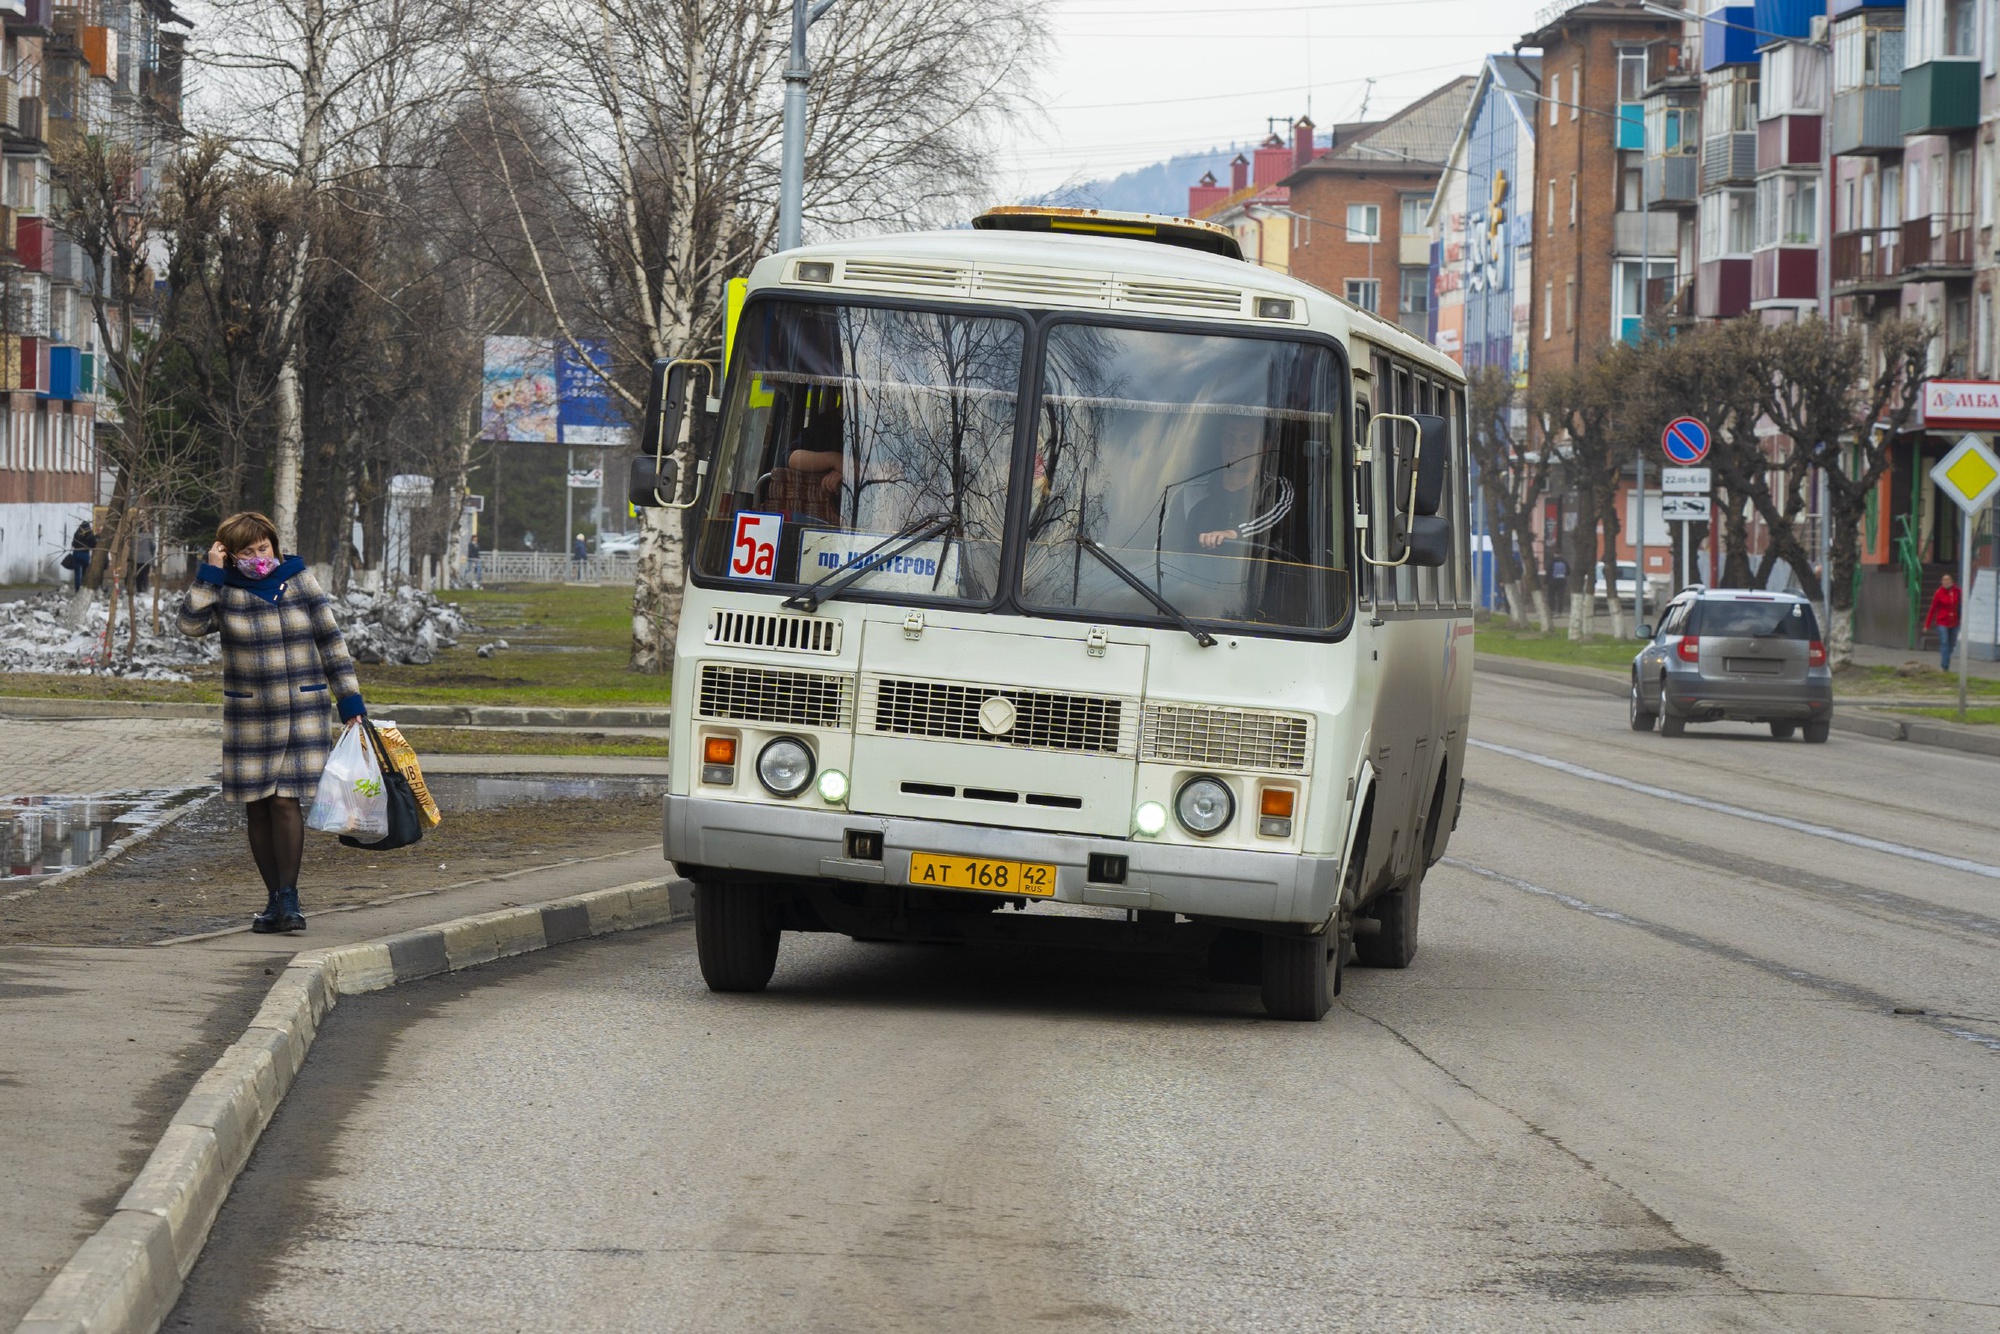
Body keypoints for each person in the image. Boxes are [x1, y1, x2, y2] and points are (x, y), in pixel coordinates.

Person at [177, 511, 366, 935]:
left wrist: (350, 701)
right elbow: (189, 626)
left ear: (275, 545)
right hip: (251, 715)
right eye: (248, 551)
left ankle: (290, 898)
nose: (260, 557)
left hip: (303, 711)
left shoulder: (300, 580)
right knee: (258, 806)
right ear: (230, 555)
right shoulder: (223, 588)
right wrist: (210, 572)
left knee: (285, 802)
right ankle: (273, 901)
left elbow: (330, 641)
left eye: (264, 548)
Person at [1166, 415, 1294, 554]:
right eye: (1229, 437)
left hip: (1252, 575)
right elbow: (1164, 547)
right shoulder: (1189, 492)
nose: (1235, 446)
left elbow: (1272, 520)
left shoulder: (1277, 489)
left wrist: (1233, 534)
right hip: (1188, 574)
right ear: (1221, 441)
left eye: (1246, 439)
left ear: (1265, 447)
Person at [1926, 573, 1962, 671]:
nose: (1946, 582)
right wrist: (1927, 624)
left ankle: (1946, 659)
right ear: (1941, 582)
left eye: (1948, 580)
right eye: (1944, 580)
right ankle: (1945, 665)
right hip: (1942, 621)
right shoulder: (1939, 593)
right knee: (1944, 641)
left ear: (1951, 581)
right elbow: (1933, 609)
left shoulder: (1957, 591)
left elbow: (1962, 604)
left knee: (1951, 643)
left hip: (1954, 621)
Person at [68, 519, 95, 591]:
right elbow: (93, 545)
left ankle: (77, 589)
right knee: (84, 572)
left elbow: (73, 544)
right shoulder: (90, 534)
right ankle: (83, 588)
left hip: (77, 553)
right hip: (85, 554)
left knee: (77, 573)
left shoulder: (77, 533)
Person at [132, 527, 156, 595]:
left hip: (138, 558)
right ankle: (145, 587)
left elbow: (133, 547)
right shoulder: (149, 536)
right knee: (145, 573)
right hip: (147, 558)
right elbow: (153, 546)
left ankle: (139, 589)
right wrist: (151, 554)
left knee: (138, 574)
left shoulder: (135, 537)